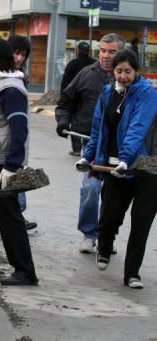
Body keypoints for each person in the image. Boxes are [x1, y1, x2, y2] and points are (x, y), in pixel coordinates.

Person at [77, 49, 157, 289]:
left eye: (128, 71)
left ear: (137, 71)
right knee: (110, 216)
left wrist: (126, 158)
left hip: (146, 168)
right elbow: (98, 127)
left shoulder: (148, 94)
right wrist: (88, 156)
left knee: (141, 223)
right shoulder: (107, 93)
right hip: (115, 168)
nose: (123, 76)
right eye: (119, 71)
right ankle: (104, 247)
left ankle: (132, 273)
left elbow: (137, 127)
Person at [55, 33, 125, 254]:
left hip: (122, 149)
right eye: (103, 50)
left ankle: (107, 235)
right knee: (91, 188)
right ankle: (88, 233)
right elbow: (65, 101)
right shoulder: (86, 74)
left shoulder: (128, 78)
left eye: (111, 52)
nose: (105, 55)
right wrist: (63, 121)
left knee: (113, 196)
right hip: (93, 145)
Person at [0, 38, 38, 286]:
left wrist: (12, 165)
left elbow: (19, 128)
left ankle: (25, 271)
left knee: (10, 217)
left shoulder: (10, 88)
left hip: (2, 162)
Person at [6, 34, 37, 231]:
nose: (19, 58)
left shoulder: (21, 77)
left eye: (23, 55)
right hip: (4, 141)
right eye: (16, 53)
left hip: (17, 141)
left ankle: (17, 216)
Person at [60, 41, 97, 156]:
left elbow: (65, 82)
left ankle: (76, 149)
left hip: (74, 99)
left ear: (78, 50)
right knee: (89, 124)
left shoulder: (72, 64)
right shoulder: (94, 63)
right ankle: (88, 148)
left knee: (75, 124)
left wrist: (63, 97)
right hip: (90, 99)